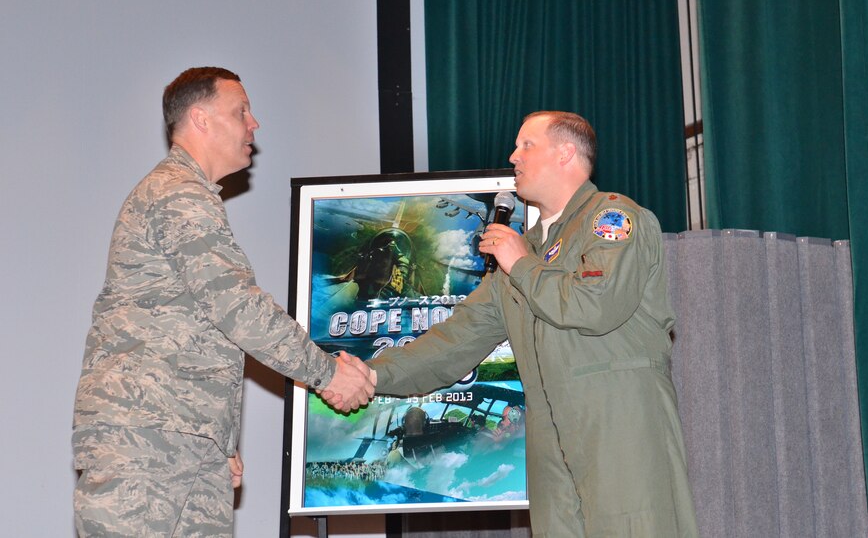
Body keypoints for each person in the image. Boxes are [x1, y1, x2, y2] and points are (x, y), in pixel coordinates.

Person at [358, 111, 699, 536]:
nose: (512, 156)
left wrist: (520, 261)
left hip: (620, 429)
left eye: (526, 145)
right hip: (550, 440)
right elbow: (450, 346)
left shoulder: (611, 219)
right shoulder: (526, 253)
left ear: (566, 153)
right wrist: (365, 375)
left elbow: (594, 306)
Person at [72, 67, 374, 536]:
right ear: (201, 119)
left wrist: (215, 436)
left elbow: (202, 325)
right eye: (241, 111)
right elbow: (236, 307)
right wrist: (327, 372)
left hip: (184, 441)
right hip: (145, 441)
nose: (255, 124)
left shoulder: (189, 196)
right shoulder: (177, 195)